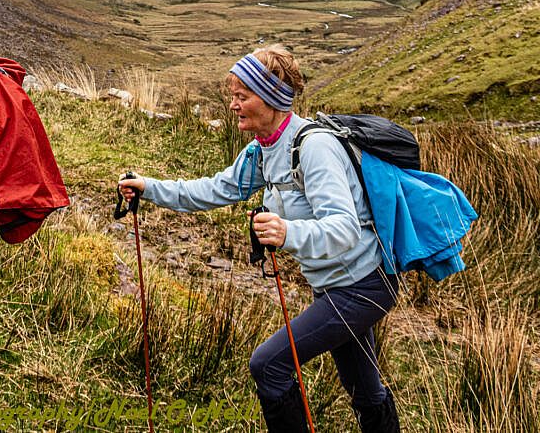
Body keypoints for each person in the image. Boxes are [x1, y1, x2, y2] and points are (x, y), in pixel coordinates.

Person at [118, 45, 400, 433]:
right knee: (366, 394)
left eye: (242, 96)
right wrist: (149, 188)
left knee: (268, 365)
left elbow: (345, 228)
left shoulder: (315, 148)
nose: (233, 105)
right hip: (335, 286)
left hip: (363, 285)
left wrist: (287, 232)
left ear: (270, 99)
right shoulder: (263, 150)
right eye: (232, 95)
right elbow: (214, 190)